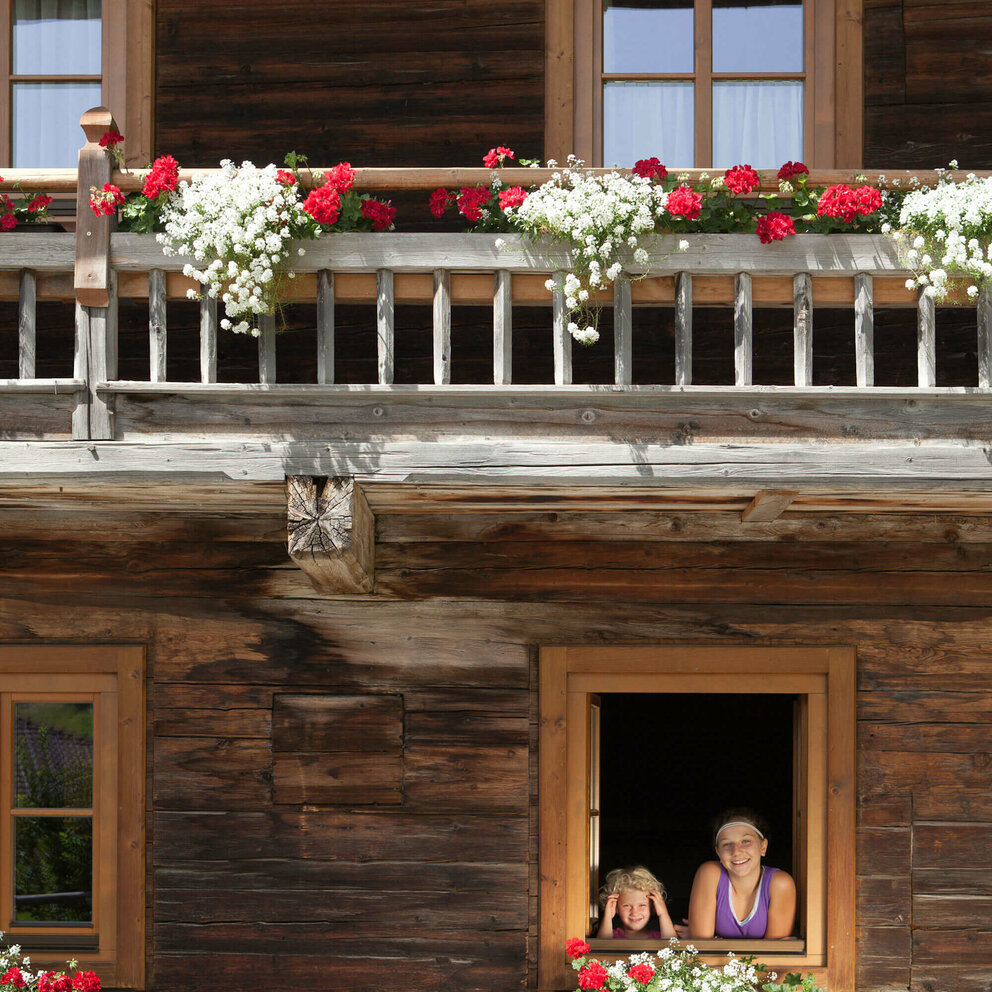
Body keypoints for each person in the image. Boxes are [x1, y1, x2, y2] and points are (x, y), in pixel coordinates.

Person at [687, 810, 796, 939]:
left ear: (763, 847)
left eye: (746, 841)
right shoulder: (709, 873)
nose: (736, 852)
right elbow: (701, 947)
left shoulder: (780, 883)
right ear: (718, 853)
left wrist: (717, 941)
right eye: (727, 844)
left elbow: (773, 953)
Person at [595, 865, 679, 939]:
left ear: (653, 906)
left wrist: (662, 914)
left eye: (642, 905)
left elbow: (671, 945)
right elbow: (602, 945)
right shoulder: (611, 935)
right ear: (616, 907)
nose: (634, 912)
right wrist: (608, 917)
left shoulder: (659, 937)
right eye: (627, 905)